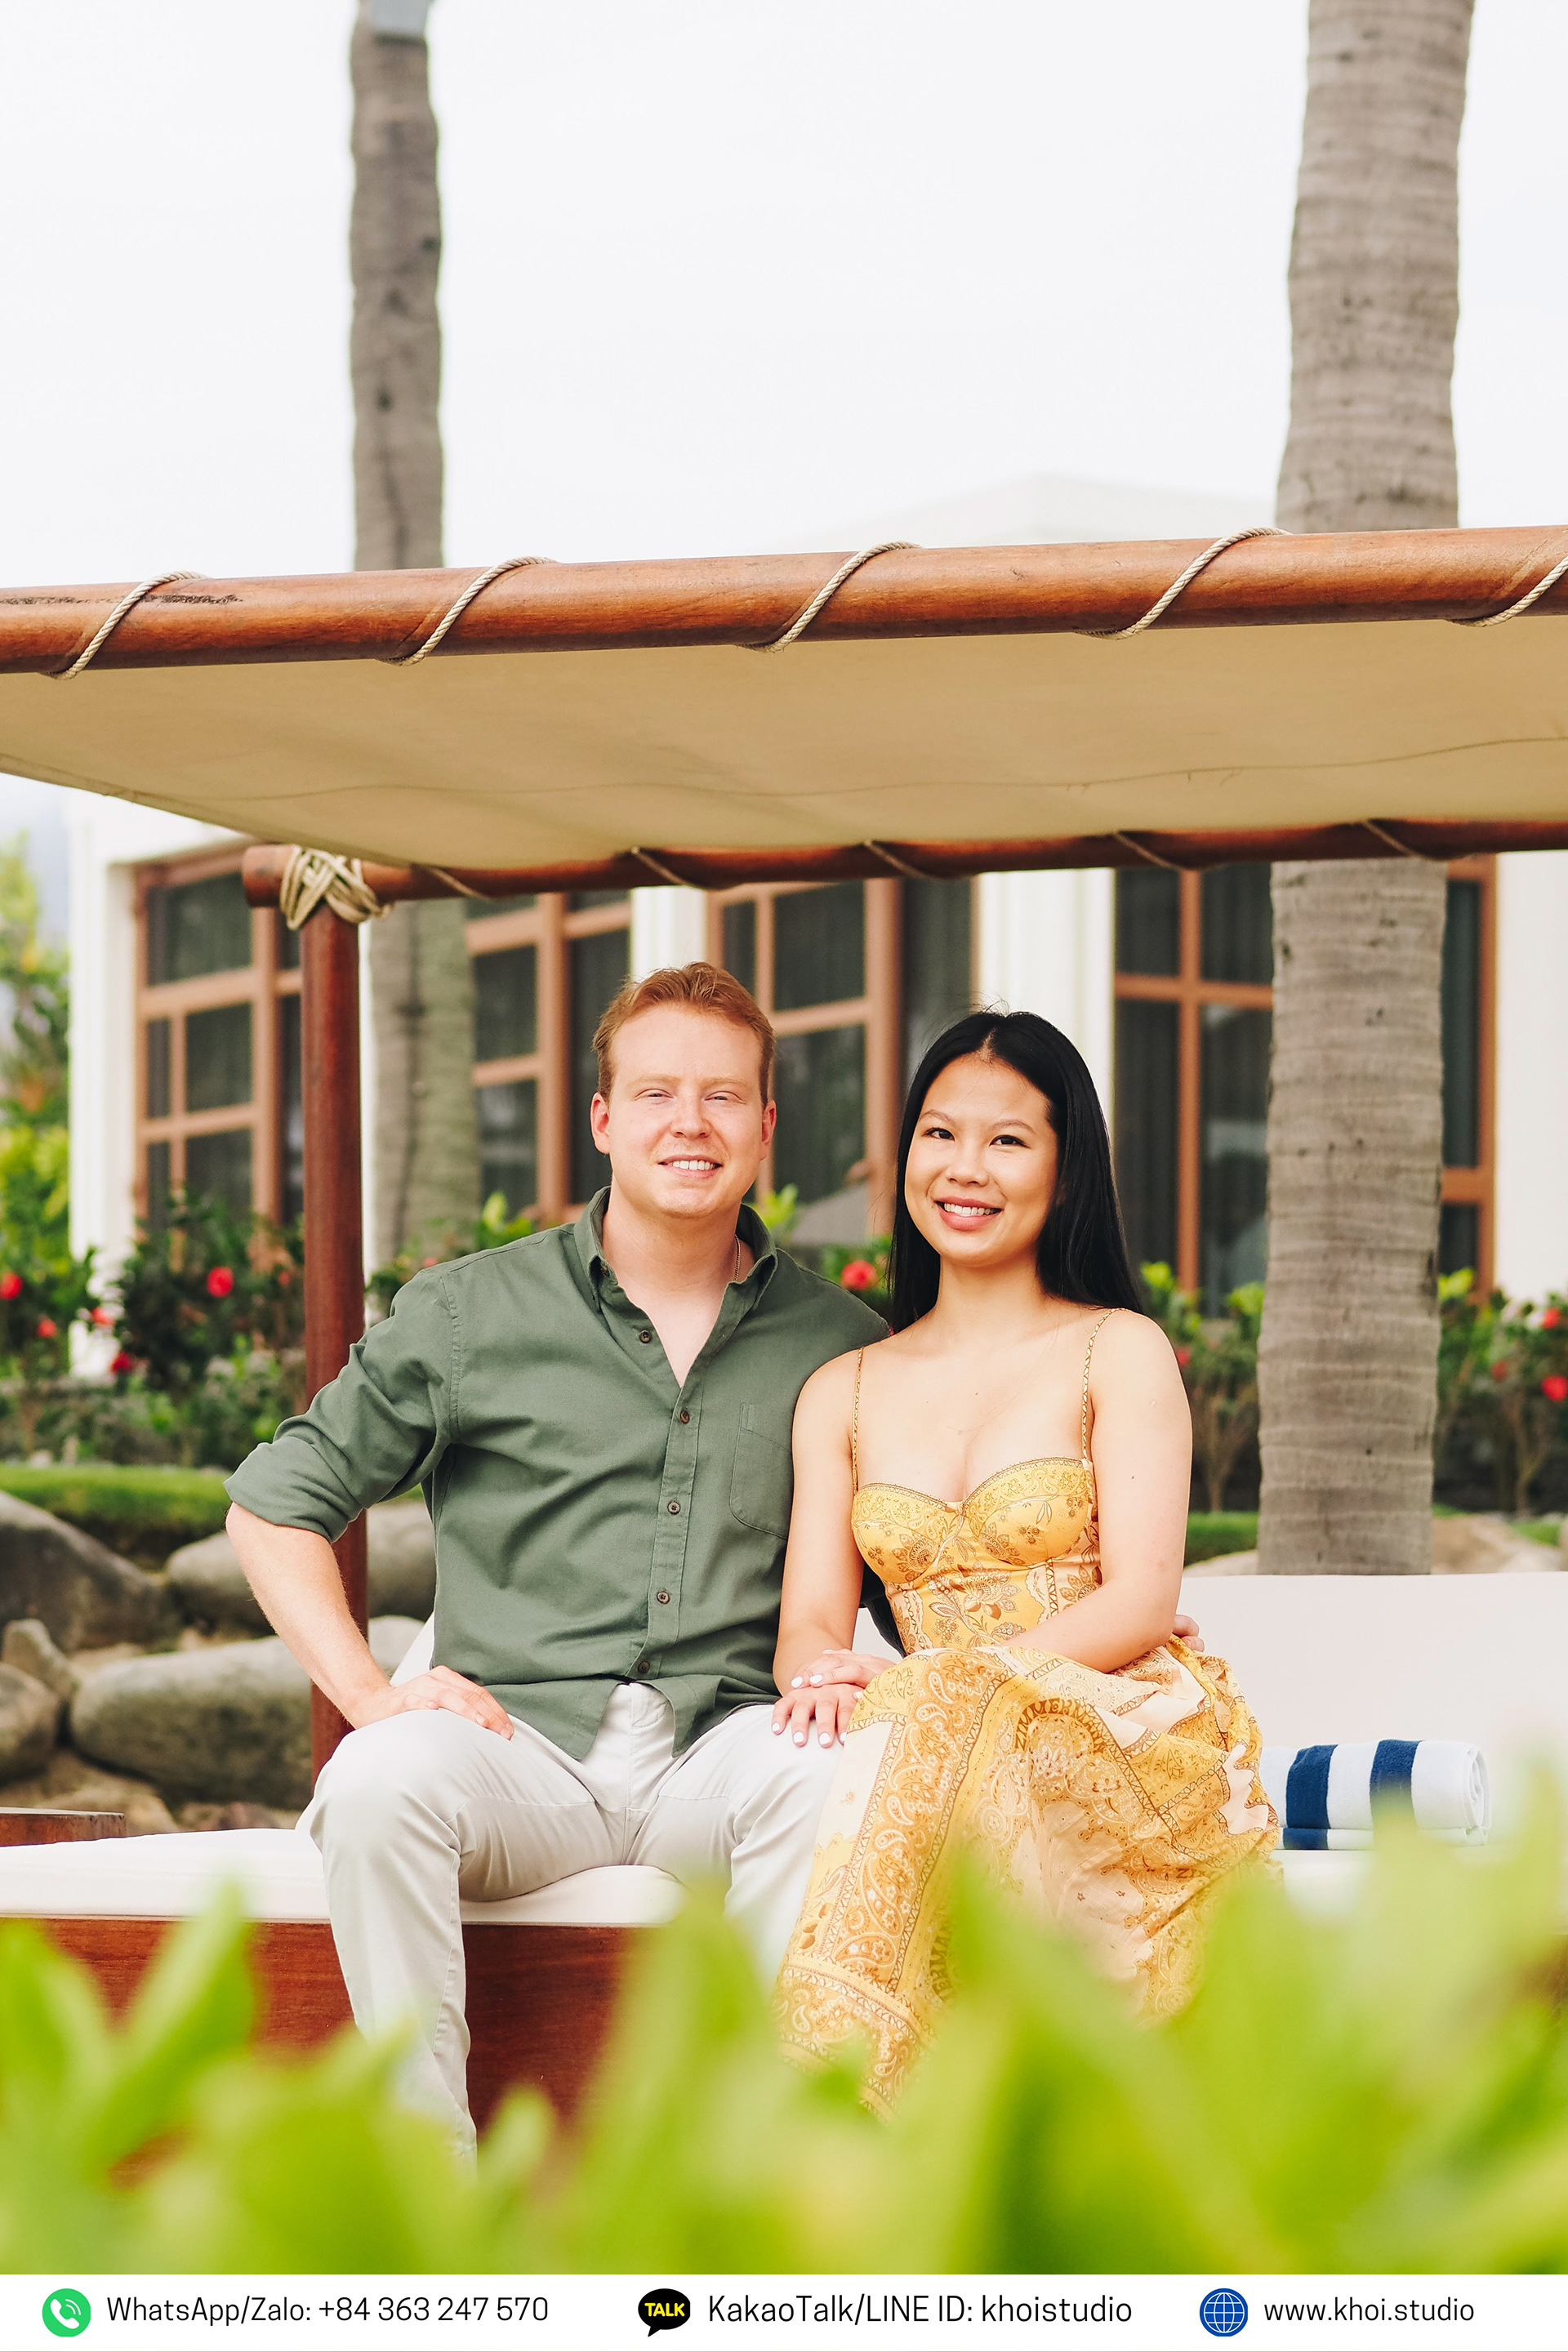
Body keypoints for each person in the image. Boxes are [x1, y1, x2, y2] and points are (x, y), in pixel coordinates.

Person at [223, 961, 886, 2154]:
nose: (692, 1123)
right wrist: (373, 1697)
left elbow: (916, 1568)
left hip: (726, 1752)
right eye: (657, 1094)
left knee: (834, 1777)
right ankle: (430, 2207)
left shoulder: (845, 1344)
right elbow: (275, 1508)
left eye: (725, 1097)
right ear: (603, 1118)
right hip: (517, 1751)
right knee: (374, 1784)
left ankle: (771, 2183)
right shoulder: (473, 1314)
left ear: (768, 1124)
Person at [770, 1009, 1276, 2113]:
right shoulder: (843, 1389)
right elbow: (810, 1623)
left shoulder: (1116, 1349)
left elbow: (1144, 1595)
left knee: (937, 1741)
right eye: (939, 1134)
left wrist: (944, 1684)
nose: (965, 1168)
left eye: (1008, 1141)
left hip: (1112, 1715)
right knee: (888, 1756)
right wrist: (830, 1674)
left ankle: (839, 2106)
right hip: (935, 1726)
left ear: (1065, 1165)